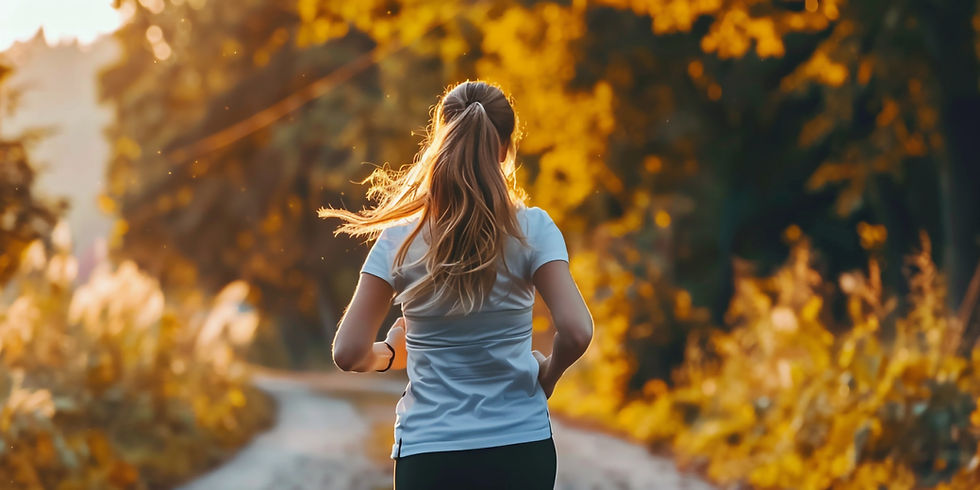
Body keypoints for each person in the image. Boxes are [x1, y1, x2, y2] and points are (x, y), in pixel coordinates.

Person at [319, 80, 593, 489]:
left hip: (430, 454)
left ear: (441, 141)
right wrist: (546, 378)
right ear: (505, 149)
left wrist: (393, 352)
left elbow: (349, 352)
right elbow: (576, 331)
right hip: (519, 448)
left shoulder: (400, 239)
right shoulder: (533, 229)